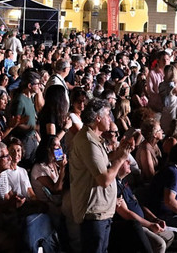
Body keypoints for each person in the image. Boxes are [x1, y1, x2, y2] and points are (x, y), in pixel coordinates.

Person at [70, 99, 135, 253]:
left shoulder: (94, 138)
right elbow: (104, 180)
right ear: (98, 118)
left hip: (102, 211)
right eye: (107, 115)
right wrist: (120, 158)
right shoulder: (87, 141)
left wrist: (121, 152)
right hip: (93, 212)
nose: (110, 119)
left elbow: (102, 161)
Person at [111, 157, 174, 253]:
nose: (129, 162)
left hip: (144, 222)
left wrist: (154, 219)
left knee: (169, 235)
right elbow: (126, 214)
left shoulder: (124, 182)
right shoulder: (114, 185)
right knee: (159, 244)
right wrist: (150, 225)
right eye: (125, 160)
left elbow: (138, 205)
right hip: (132, 227)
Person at [135, 118, 163, 182]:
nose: (162, 131)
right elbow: (150, 176)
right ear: (155, 134)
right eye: (160, 130)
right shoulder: (145, 150)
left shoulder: (155, 144)